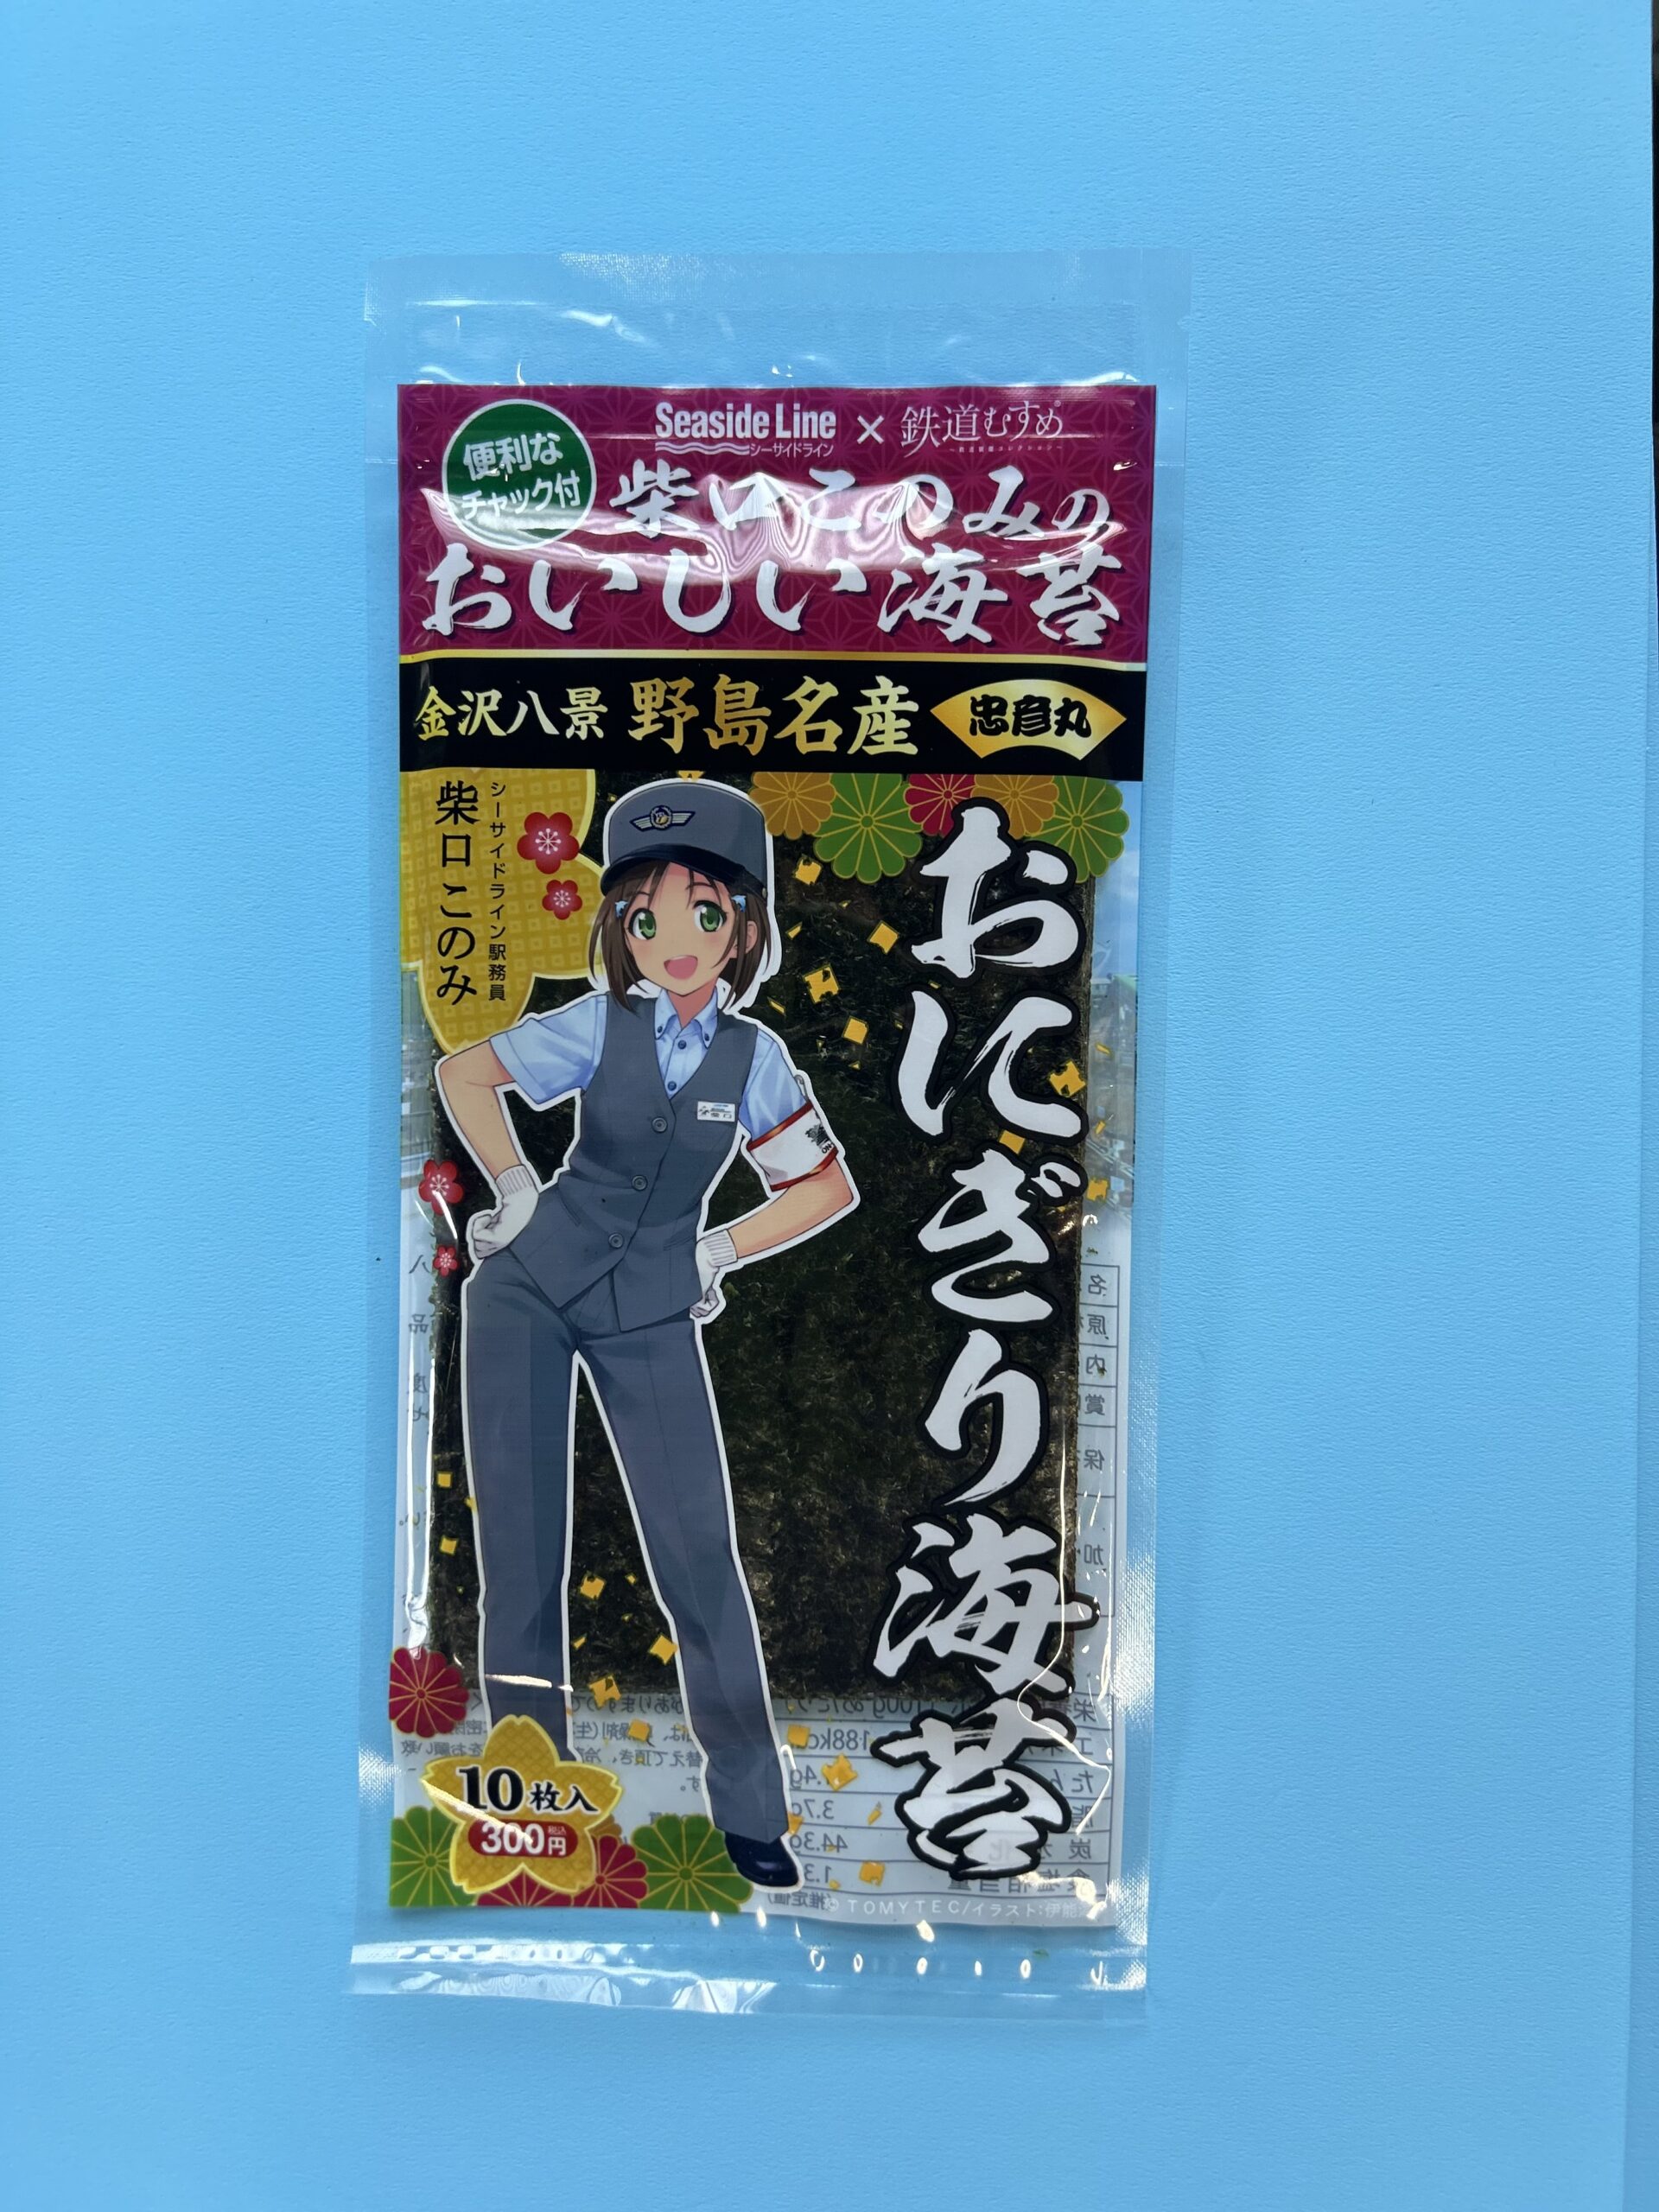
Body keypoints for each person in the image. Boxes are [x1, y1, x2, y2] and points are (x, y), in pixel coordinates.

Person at [436, 779, 856, 1890]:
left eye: (705, 913)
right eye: (646, 915)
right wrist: (515, 1184)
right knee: (521, 1556)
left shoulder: (754, 1058)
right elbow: (463, 1074)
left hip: (655, 1307)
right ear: (619, 925)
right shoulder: (599, 1024)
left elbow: (824, 1185)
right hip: (529, 1290)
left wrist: (719, 1250)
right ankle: (528, 1802)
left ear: (745, 927)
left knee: (699, 1556)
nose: (676, 938)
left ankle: (753, 1814)